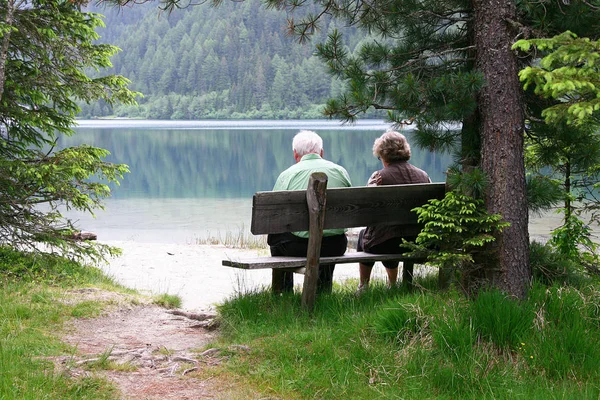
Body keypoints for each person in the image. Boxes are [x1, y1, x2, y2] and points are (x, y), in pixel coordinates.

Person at [267, 130, 352, 294]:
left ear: (295, 154)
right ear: (321, 152)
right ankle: (323, 290)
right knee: (328, 235)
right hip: (335, 245)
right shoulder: (340, 171)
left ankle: (283, 292)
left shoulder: (288, 175)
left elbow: (274, 216)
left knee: (275, 237)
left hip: (298, 247)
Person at [356, 130, 431, 291]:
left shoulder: (379, 178)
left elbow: (366, 212)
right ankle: (392, 284)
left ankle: (364, 286)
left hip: (387, 244)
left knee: (369, 235)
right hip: (418, 241)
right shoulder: (424, 176)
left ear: (383, 155)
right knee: (388, 232)